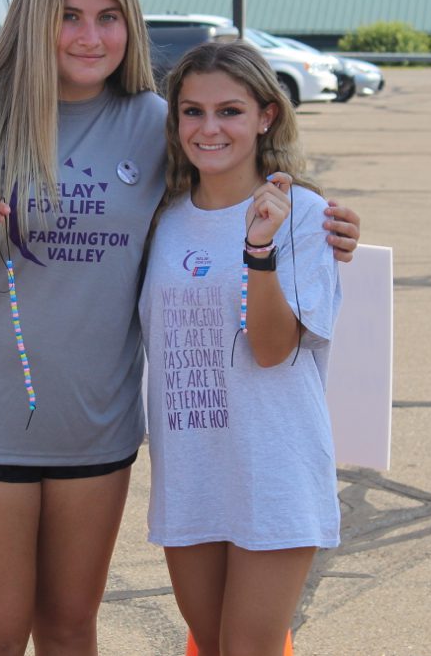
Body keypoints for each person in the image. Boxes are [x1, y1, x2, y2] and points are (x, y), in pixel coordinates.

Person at [0, 0, 358, 656]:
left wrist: (324, 221)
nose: (89, 36)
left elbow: (228, 182)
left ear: (130, 25)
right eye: (68, 16)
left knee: (71, 625)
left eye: (108, 17)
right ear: (34, 21)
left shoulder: (153, 121)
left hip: (97, 422)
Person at [140, 41, 342, 656]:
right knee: (208, 643)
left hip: (273, 468)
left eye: (229, 111)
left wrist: (260, 249)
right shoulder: (162, 215)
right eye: (192, 111)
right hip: (190, 469)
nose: (209, 128)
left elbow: (274, 349)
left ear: (266, 116)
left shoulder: (302, 214)